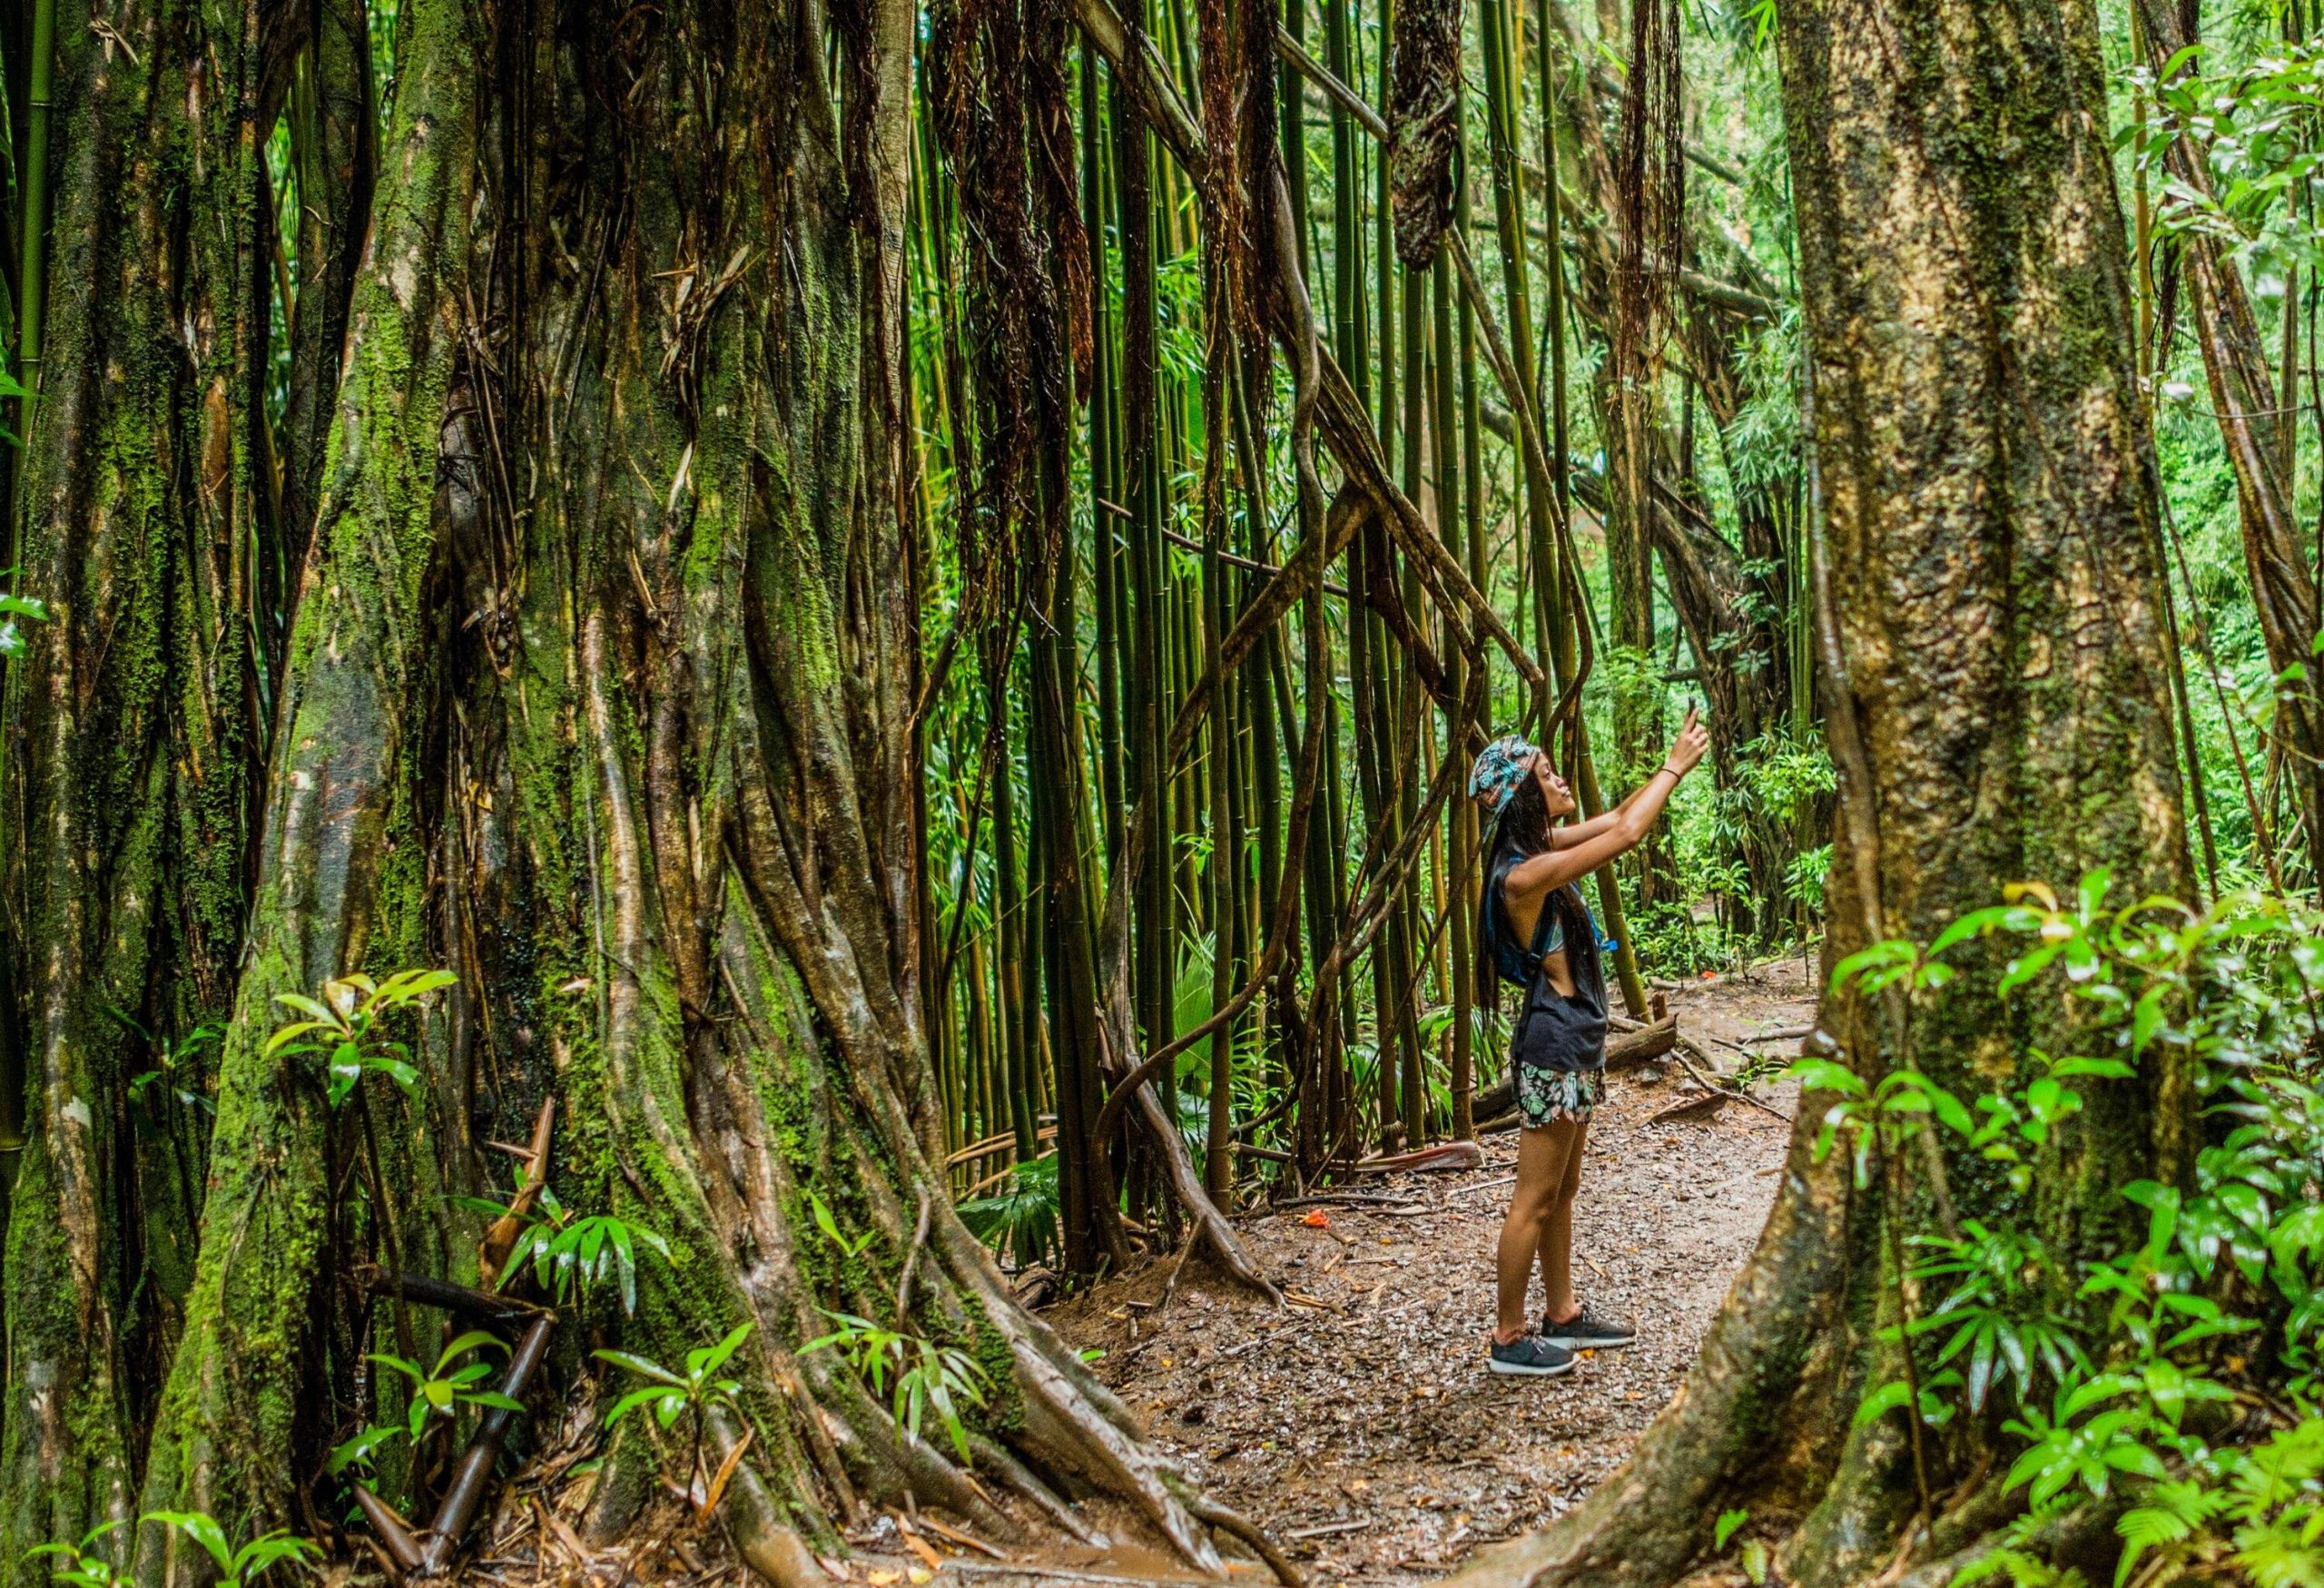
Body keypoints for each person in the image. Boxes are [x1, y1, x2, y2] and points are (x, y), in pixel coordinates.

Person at [1467, 708, 1710, 1376]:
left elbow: (1621, 817)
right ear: (1523, 796)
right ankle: (1509, 1336)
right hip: (1551, 1044)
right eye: (1547, 772)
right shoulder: (1521, 876)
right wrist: (1675, 766)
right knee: (1533, 1197)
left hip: (1574, 1040)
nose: (1561, 775)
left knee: (1564, 1188)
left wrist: (1669, 767)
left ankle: (1563, 1315)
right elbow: (1629, 832)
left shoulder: (1542, 850)